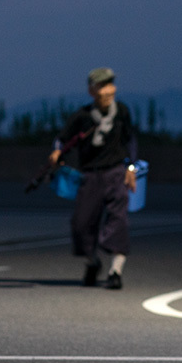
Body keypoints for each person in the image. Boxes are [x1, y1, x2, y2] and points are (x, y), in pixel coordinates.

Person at [49, 67, 138, 289]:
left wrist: (131, 167)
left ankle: (115, 271)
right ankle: (92, 262)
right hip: (90, 175)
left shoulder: (122, 112)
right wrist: (57, 152)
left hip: (116, 172)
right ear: (92, 90)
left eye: (110, 85)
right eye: (102, 86)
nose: (107, 91)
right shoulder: (83, 116)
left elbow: (131, 141)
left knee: (118, 221)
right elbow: (62, 140)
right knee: (81, 224)